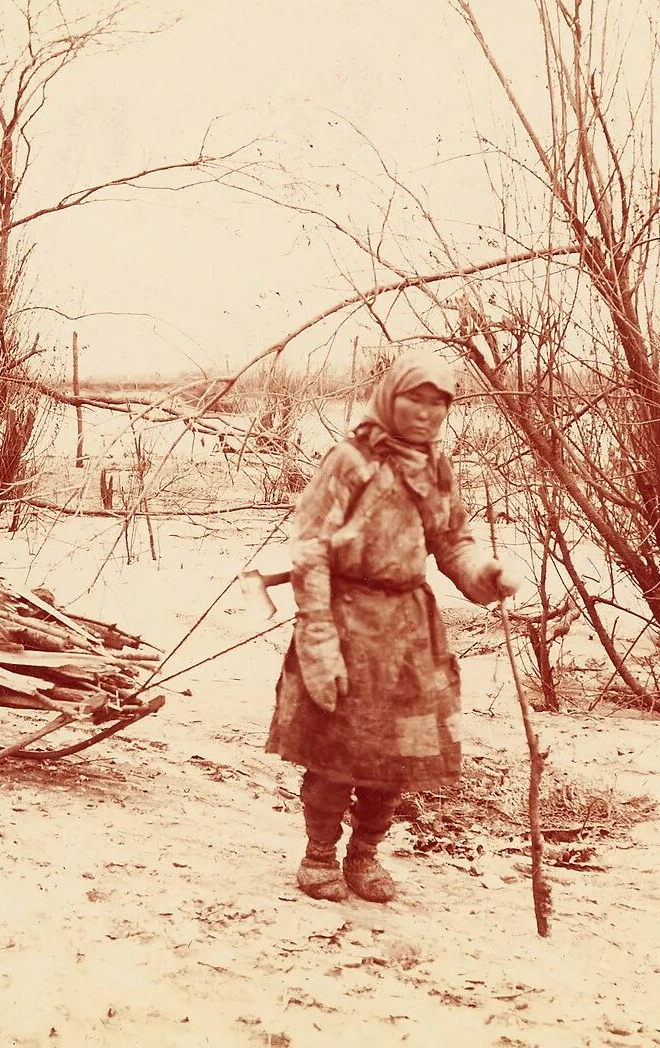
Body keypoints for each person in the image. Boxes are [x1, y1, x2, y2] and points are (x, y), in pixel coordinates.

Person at [265, 348, 518, 903]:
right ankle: (319, 856)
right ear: (390, 396)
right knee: (339, 751)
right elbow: (309, 552)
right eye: (414, 399)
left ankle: (365, 856)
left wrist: (483, 575)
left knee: (400, 753)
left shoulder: (435, 465)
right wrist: (318, 642)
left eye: (439, 404)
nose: (426, 414)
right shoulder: (350, 462)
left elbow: (452, 541)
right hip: (348, 619)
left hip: (409, 630)